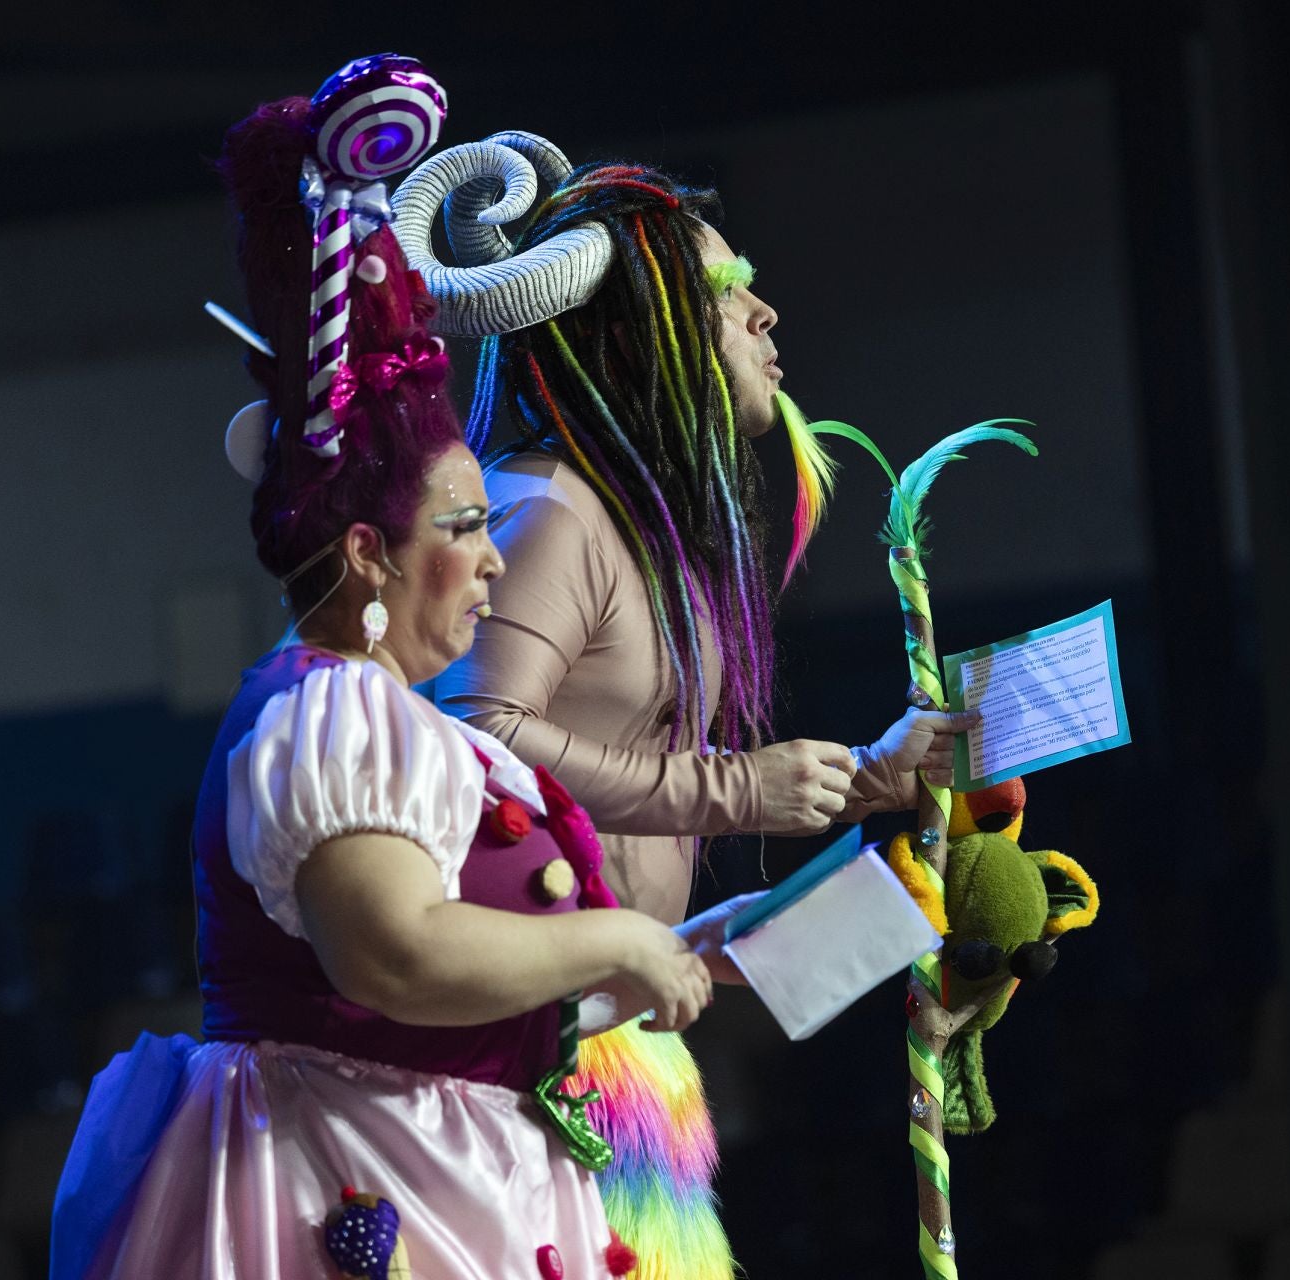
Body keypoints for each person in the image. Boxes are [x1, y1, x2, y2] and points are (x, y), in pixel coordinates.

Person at [51, 70, 715, 1280]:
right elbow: (395, 956)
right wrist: (615, 936)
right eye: (462, 524)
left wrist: (681, 954)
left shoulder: (394, 722)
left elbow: (487, 970)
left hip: (442, 1167)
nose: (491, 555)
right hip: (362, 1179)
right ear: (369, 549)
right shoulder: (333, 712)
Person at [394, 136, 979, 1277]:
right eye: (723, 289)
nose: (763, 312)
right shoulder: (547, 506)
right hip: (522, 1082)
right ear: (638, 329)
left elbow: (633, 855)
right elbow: (474, 741)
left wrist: (868, 782)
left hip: (619, 1058)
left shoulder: (632, 530)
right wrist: (735, 785)